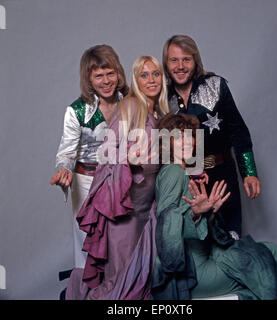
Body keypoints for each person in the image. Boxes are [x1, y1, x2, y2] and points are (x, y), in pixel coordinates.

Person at [151, 113, 277, 300]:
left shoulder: (184, 171)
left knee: (271, 251)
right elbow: (166, 222)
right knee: (264, 266)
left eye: (190, 136)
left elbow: (194, 223)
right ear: (167, 143)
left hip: (207, 256)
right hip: (194, 272)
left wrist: (210, 213)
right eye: (179, 137)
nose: (187, 142)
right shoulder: (173, 171)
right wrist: (195, 213)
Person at [65, 56, 169, 300]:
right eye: (144, 75)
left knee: (142, 277)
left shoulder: (162, 111)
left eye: (156, 74)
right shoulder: (131, 106)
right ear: (135, 79)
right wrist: (128, 160)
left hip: (149, 206)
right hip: (125, 207)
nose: (151, 80)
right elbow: (107, 153)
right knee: (120, 281)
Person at [162, 34, 261, 236]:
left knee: (229, 240)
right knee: (196, 243)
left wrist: (249, 172)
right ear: (166, 63)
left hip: (222, 175)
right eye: (174, 60)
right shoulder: (162, 97)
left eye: (186, 59)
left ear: (195, 61)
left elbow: (238, 131)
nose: (180, 66)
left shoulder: (215, 85)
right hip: (186, 182)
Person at [50, 45, 128, 268]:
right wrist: (64, 169)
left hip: (122, 180)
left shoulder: (131, 102)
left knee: (122, 240)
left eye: (110, 73)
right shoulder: (77, 111)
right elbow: (66, 152)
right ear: (89, 79)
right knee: (89, 242)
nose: (106, 81)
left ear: (118, 73)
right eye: (99, 75)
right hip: (87, 183)